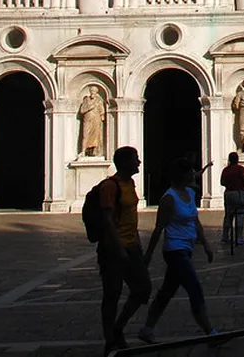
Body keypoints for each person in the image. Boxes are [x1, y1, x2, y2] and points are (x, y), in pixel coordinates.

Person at [139, 157, 217, 344]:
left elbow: (195, 221)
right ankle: (210, 333)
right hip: (175, 250)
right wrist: (148, 256)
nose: (194, 174)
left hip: (187, 248)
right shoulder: (168, 198)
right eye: (190, 171)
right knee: (194, 288)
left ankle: (147, 329)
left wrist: (205, 244)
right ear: (182, 175)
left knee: (166, 292)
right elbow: (159, 228)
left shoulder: (189, 193)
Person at [95, 146, 151, 355]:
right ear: (125, 162)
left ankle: (118, 327)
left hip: (131, 247)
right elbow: (107, 219)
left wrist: (137, 243)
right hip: (113, 249)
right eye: (135, 159)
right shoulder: (110, 187)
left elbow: (130, 217)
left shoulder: (131, 184)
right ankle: (110, 339)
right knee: (112, 294)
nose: (139, 162)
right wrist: (119, 247)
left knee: (143, 289)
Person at [219, 151, 244, 247]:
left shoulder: (225, 170)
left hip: (228, 193)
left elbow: (222, 182)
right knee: (240, 215)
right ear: (237, 159)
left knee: (228, 216)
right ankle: (239, 237)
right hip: (238, 193)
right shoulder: (240, 169)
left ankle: (225, 237)